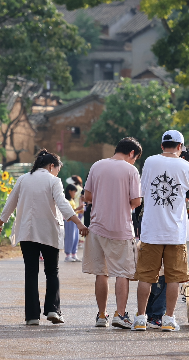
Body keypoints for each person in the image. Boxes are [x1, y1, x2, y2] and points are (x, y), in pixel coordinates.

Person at [0, 150, 89, 326]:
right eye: (57, 169)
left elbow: (10, 202)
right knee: (52, 271)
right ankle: (53, 309)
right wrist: (79, 224)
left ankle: (32, 316)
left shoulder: (23, 179)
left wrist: (0, 223)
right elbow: (63, 204)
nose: (57, 173)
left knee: (31, 272)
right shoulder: (54, 181)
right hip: (48, 231)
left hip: (26, 232)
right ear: (52, 166)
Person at [133, 130, 189, 332]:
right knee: (174, 277)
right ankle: (168, 319)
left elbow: (142, 191)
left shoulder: (150, 162)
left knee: (146, 276)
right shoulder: (186, 166)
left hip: (151, 230)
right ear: (180, 147)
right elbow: (188, 196)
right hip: (175, 232)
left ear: (162, 146)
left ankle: (141, 318)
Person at [82, 137, 143, 329]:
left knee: (101, 273)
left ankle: (101, 315)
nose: (134, 162)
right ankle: (121, 314)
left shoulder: (97, 166)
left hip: (97, 226)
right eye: (135, 158)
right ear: (132, 153)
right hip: (121, 228)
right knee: (122, 273)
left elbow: (87, 196)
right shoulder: (131, 170)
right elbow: (136, 201)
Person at [63, 184, 83, 262]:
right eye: (74, 192)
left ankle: (74, 254)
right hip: (69, 220)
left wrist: (78, 210)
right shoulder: (66, 201)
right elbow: (69, 211)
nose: (74, 194)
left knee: (75, 238)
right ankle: (68, 255)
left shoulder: (72, 200)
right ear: (69, 191)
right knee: (70, 237)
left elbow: (74, 210)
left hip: (75, 220)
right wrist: (78, 208)